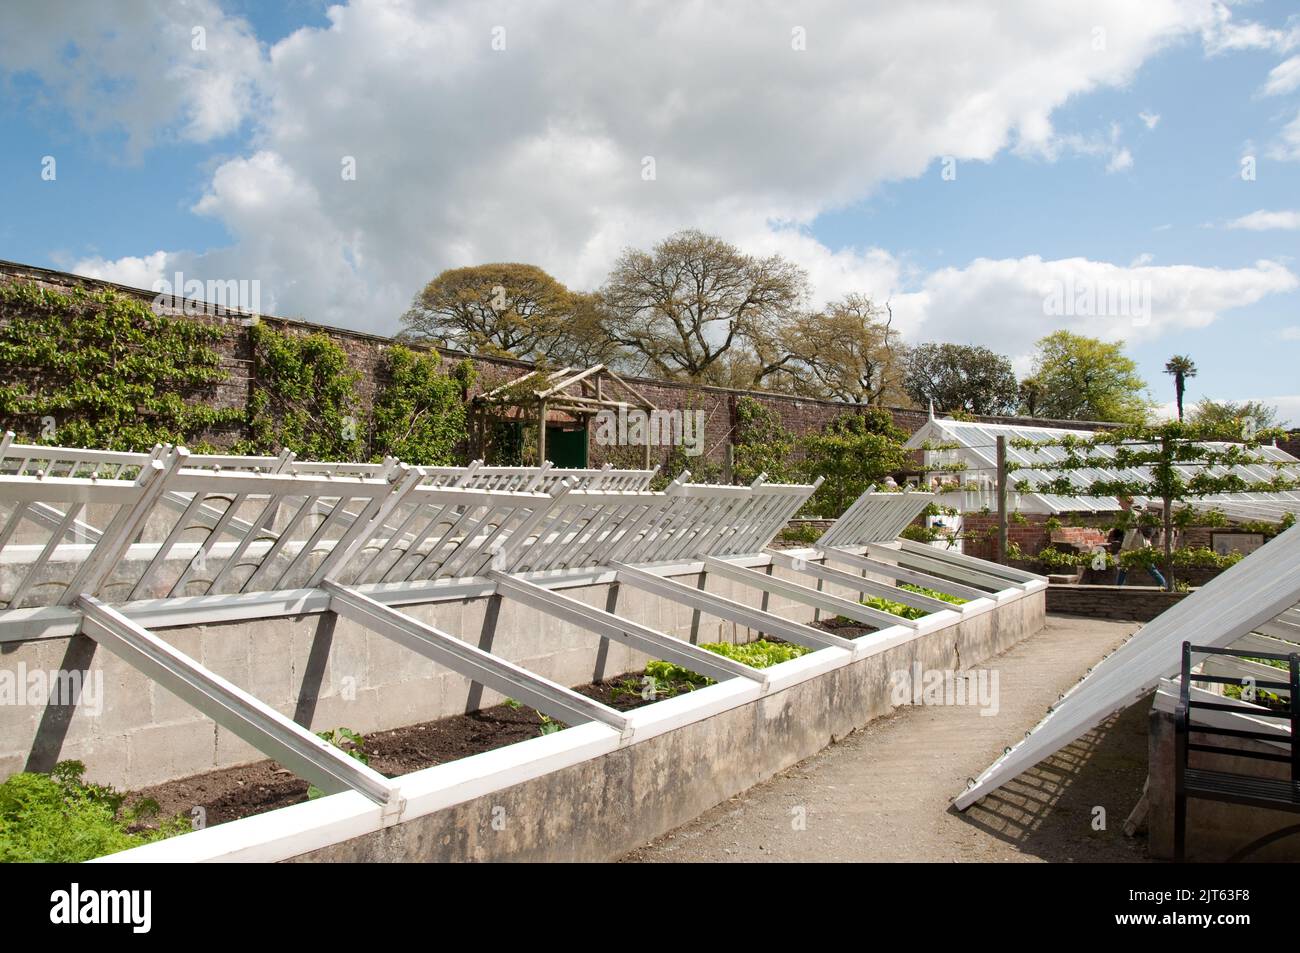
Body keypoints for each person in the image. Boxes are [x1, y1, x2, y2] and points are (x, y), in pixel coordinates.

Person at [1115, 507, 1167, 587]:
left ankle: (1163, 584)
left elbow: (1131, 532)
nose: (1119, 504)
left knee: (1148, 566)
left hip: (1137, 544)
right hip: (1139, 543)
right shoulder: (1135, 511)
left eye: (1120, 500)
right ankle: (1118, 585)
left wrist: (1124, 547)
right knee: (1125, 565)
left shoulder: (1133, 513)